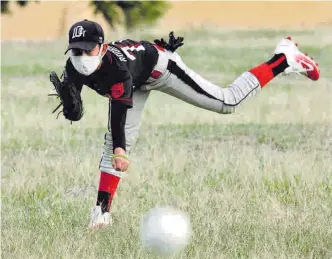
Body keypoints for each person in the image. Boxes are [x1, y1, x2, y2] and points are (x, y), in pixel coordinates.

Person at [49, 19, 320, 228]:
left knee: (228, 102)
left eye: (88, 49)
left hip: (161, 68)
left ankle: (282, 59)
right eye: (76, 50)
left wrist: (120, 149)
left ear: (102, 46)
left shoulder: (117, 71)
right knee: (114, 145)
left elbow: (119, 113)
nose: (82, 55)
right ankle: (101, 213)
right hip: (137, 77)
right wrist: (72, 110)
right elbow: (75, 107)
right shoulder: (73, 66)